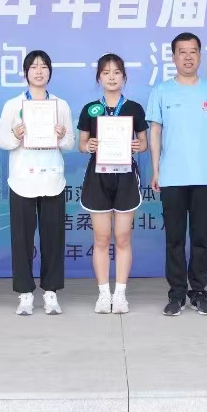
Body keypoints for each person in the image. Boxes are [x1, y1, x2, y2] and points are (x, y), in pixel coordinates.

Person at [147, 32, 207, 316]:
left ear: (200, 55)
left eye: (193, 51)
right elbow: (155, 131)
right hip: (171, 175)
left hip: (204, 174)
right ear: (173, 57)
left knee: (200, 238)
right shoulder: (162, 91)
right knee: (174, 239)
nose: (188, 57)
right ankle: (176, 294)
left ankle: (199, 293)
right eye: (182, 52)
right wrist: (156, 169)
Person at [0, 50, 75, 315]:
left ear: (50, 71)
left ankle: (51, 292)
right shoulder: (13, 105)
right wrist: (15, 135)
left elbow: (70, 143)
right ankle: (25, 293)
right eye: (33, 67)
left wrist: (61, 136)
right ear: (25, 72)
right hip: (22, 180)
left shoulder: (60, 105)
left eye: (43, 67)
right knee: (21, 239)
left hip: (52, 178)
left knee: (53, 238)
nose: (39, 71)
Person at [78, 54, 148, 315]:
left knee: (122, 237)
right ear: (99, 78)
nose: (111, 77)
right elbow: (81, 144)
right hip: (98, 177)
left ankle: (120, 294)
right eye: (106, 73)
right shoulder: (90, 109)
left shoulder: (134, 109)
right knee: (101, 238)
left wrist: (137, 145)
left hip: (126, 177)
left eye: (116, 72)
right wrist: (88, 145)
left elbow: (144, 143)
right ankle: (103, 294)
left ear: (124, 77)